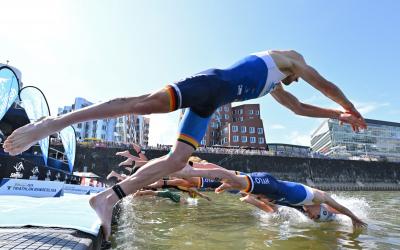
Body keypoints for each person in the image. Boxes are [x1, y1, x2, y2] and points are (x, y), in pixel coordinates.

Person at [3, 50, 367, 239]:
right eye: (295, 79)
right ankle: (53, 123)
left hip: (211, 104)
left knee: (178, 160)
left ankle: (108, 197)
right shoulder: (292, 59)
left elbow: (301, 107)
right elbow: (324, 84)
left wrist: (335, 118)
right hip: (208, 84)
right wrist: (348, 109)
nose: (296, 81)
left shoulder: (275, 87)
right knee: (141, 103)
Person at [174, 166, 367, 228]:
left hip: (263, 190)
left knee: (224, 183)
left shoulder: (302, 208)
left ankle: (191, 173)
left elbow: (336, 214)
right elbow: (340, 208)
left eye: (312, 219)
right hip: (269, 183)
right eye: (315, 216)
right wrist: (355, 219)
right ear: (321, 209)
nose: (310, 217)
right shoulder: (319, 197)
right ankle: (192, 169)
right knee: (233, 178)